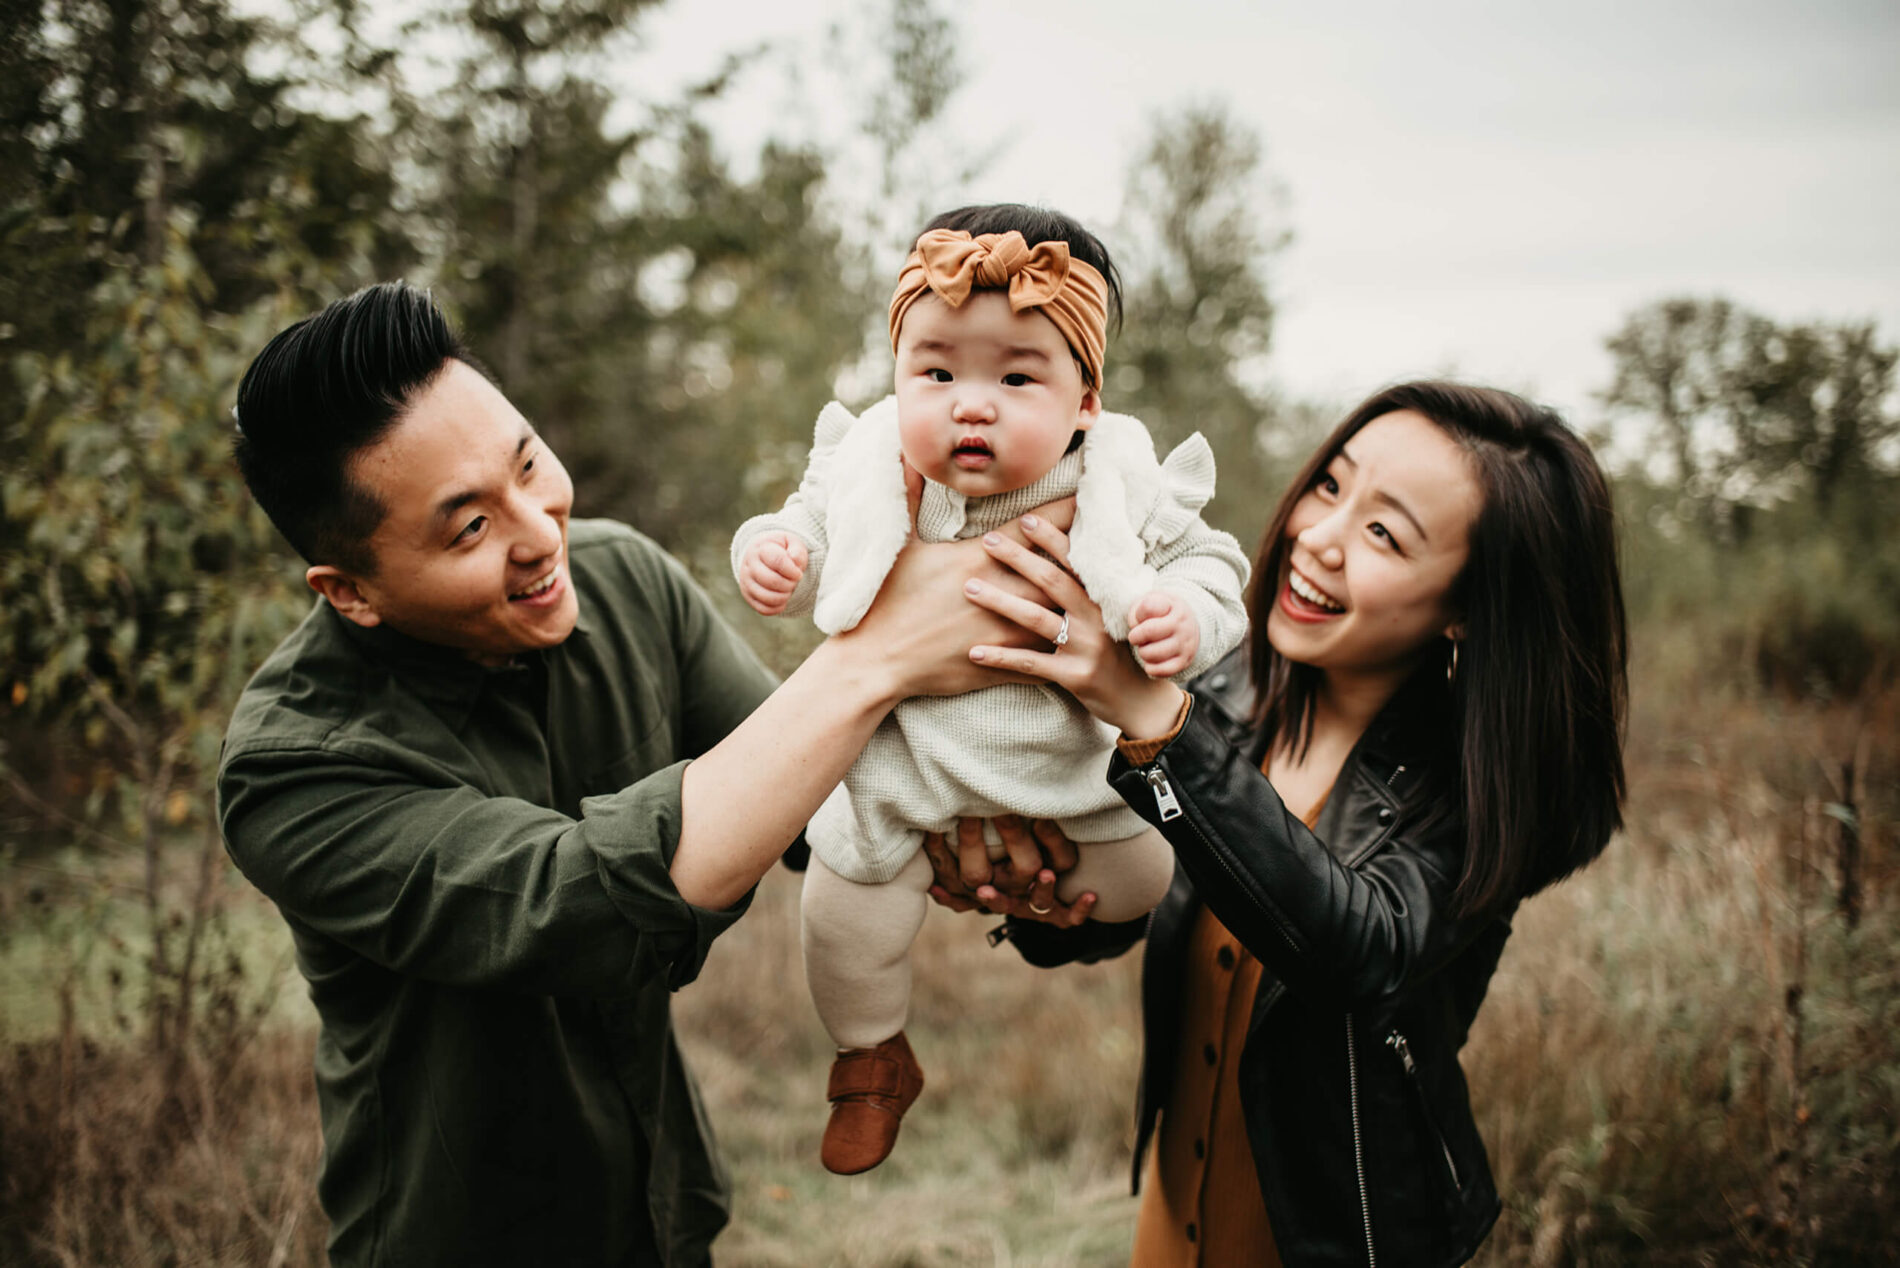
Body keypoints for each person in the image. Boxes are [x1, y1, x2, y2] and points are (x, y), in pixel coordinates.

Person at [215, 281, 1058, 1267]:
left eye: (529, 464)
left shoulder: (623, 580)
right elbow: (579, 903)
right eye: (469, 528)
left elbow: (823, 795)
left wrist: (1017, 854)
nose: (541, 532)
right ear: (350, 592)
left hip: (665, 1214)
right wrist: (877, 657)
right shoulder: (293, 769)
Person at [932, 381, 1628, 1267]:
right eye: (1330, 486)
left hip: (1347, 1243)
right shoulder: (1226, 693)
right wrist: (1046, 900)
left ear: (1468, 605)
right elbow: (1158, 900)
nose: (1319, 537)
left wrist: (1147, 710)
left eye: (1385, 534)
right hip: (1171, 1225)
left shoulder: (1482, 793)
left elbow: (1356, 949)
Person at [730, 204, 1251, 1175]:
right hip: (901, 773)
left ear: (1085, 400)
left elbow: (1211, 562)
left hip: (1064, 775)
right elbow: (804, 529)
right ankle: (871, 1058)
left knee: (1141, 879)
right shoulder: (871, 465)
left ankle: (1030, 901)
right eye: (937, 373)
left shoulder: (1118, 479)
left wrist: (1182, 610)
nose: (971, 405)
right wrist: (774, 554)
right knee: (841, 913)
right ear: (896, 374)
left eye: (1015, 378)